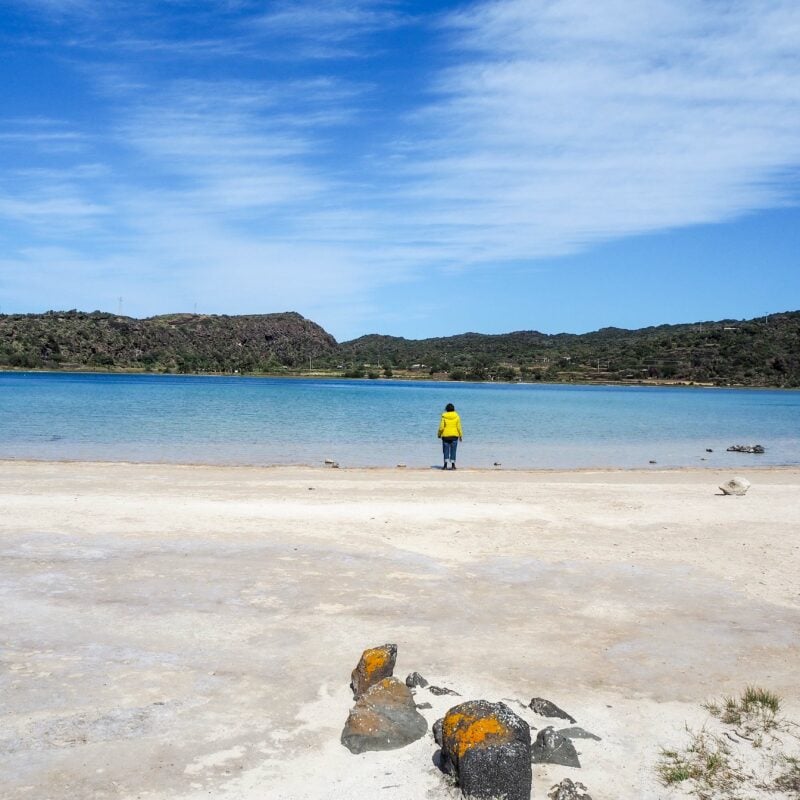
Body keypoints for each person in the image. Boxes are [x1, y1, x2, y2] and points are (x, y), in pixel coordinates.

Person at [437, 403, 463, 470]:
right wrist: (460, 435)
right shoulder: (457, 416)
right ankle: (453, 465)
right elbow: (459, 427)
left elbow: (441, 427)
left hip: (445, 436)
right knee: (453, 451)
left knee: (445, 450)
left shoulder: (444, 416)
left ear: (446, 409)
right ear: (453, 409)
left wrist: (439, 434)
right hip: (454, 436)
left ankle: (445, 466)